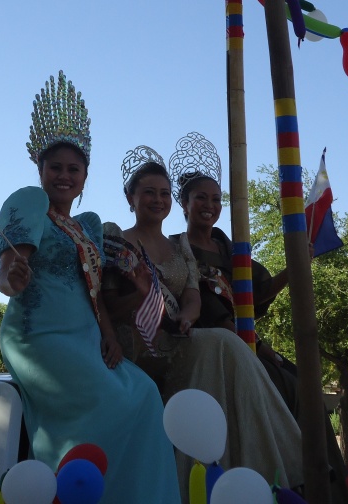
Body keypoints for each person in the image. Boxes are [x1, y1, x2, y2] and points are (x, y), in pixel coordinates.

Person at [0, 71, 181, 504]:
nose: (64, 175)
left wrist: (109, 333)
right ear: (39, 170)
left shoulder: (89, 226)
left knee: (144, 396)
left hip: (86, 334)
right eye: (54, 167)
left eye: (73, 169)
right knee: (107, 405)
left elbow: (93, 290)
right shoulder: (29, 202)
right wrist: (12, 279)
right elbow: (9, 268)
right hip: (39, 336)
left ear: (84, 175)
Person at [101, 146, 304, 501]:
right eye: (149, 192)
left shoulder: (181, 248)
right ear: (130, 197)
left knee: (247, 358)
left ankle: (277, 467)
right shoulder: (117, 238)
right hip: (140, 346)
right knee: (226, 343)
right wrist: (140, 294)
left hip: (181, 336)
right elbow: (107, 305)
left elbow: (193, 296)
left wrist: (186, 316)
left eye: (163, 193)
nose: (157, 199)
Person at [167, 131, 348, 504]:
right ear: (183, 203)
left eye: (216, 199)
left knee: (300, 384)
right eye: (200, 197)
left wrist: (299, 262)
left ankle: (322, 486)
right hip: (207, 350)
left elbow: (260, 293)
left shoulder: (231, 250)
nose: (209, 204)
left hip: (247, 343)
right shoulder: (175, 249)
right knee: (275, 385)